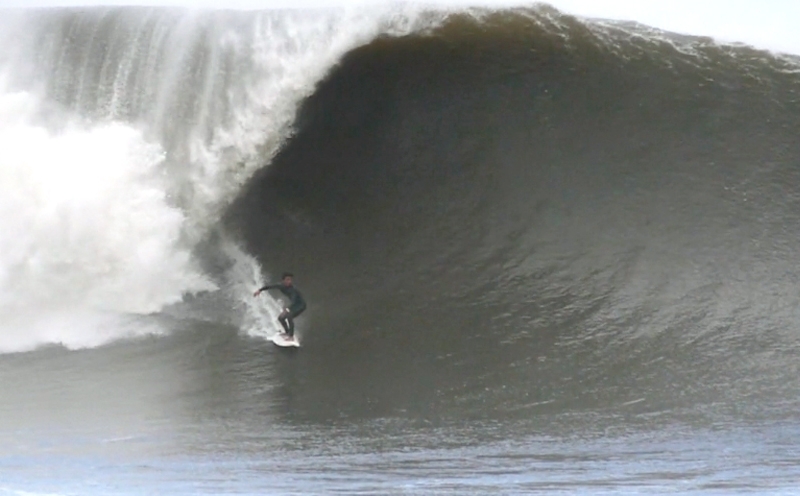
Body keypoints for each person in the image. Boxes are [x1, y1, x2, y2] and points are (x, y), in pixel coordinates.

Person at [254, 272, 306, 341]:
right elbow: (270, 287)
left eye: (290, 280)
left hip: (300, 305)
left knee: (289, 316)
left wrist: (287, 309)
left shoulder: (293, 289)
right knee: (281, 318)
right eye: (287, 279)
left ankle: (291, 336)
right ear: (283, 280)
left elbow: (294, 300)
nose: (289, 281)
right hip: (294, 305)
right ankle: (287, 332)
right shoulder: (280, 286)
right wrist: (260, 290)